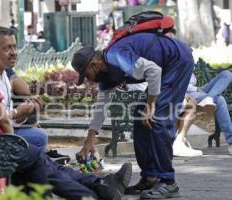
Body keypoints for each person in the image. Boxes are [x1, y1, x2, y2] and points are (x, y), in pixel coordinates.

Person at [0, 33, 133, 200]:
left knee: (40, 161)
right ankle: (91, 192)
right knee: (36, 157)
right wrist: (12, 142)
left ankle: (97, 187)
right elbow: (3, 120)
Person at [71, 15, 194, 199]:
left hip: (177, 61)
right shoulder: (106, 75)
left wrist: (151, 105)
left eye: (85, 74)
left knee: (158, 118)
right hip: (165, 68)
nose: (87, 80)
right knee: (140, 116)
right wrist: (90, 140)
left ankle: (168, 182)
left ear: (95, 64)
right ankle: (151, 177)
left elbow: (154, 71)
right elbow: (101, 106)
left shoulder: (116, 56)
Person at [0, 27, 48, 151]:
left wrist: (26, 111)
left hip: (2, 129)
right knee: (38, 139)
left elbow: (10, 119)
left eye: (14, 47)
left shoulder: (3, 73)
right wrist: (17, 112)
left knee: (39, 137)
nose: (14, 52)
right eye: (7, 48)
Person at [186, 71, 232, 155]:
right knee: (220, 100)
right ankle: (231, 142)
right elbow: (176, 83)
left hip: (198, 90)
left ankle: (209, 99)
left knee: (227, 74)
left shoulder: (188, 59)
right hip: (187, 93)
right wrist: (196, 89)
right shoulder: (174, 59)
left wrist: (198, 89)